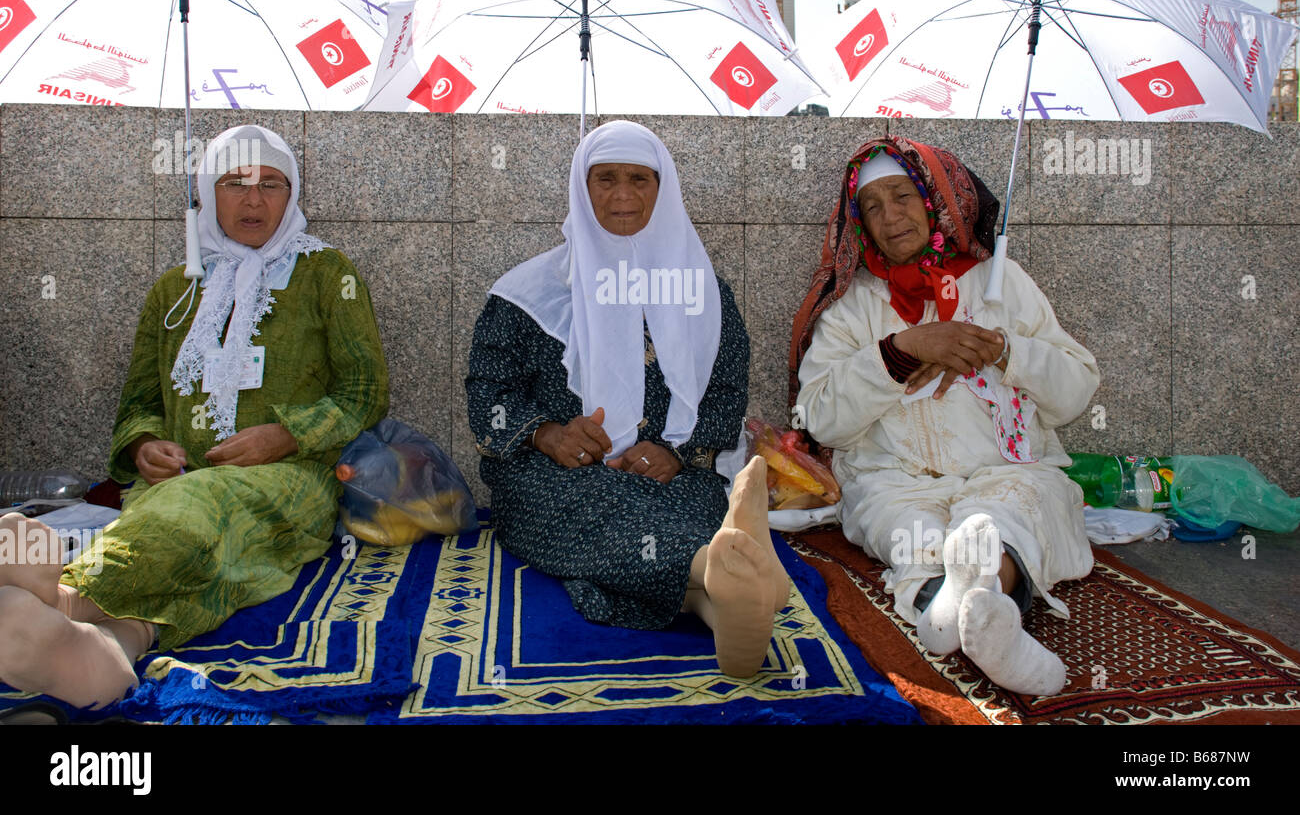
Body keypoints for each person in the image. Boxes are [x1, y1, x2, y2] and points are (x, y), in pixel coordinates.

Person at [0, 124, 389, 709]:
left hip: (295, 479)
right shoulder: (176, 287)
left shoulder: (326, 274)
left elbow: (365, 392)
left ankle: (65, 597)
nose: (253, 200)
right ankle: (112, 644)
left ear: (293, 194)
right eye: (235, 183)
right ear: (207, 193)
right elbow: (138, 404)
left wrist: (287, 435)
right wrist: (145, 446)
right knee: (196, 531)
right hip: (176, 482)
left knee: (193, 511)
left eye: (271, 185)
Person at [466, 120, 785, 677]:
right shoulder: (529, 291)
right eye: (604, 179)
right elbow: (487, 393)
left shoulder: (700, 288)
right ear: (580, 189)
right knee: (591, 502)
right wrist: (548, 434)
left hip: (672, 473)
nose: (622, 195)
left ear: (664, 190)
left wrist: (675, 452)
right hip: (556, 474)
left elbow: (727, 387)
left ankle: (717, 600)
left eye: (640, 179)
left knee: (678, 501)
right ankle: (723, 568)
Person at [790, 136, 1098, 696]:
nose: (890, 217)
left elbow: (1075, 392)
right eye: (873, 206)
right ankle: (978, 615)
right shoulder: (853, 306)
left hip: (1007, 471)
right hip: (894, 479)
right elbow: (821, 419)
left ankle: (956, 613)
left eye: (903, 196)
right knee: (912, 538)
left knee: (1008, 519)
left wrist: (1004, 348)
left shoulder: (999, 283)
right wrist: (903, 349)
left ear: (933, 202)